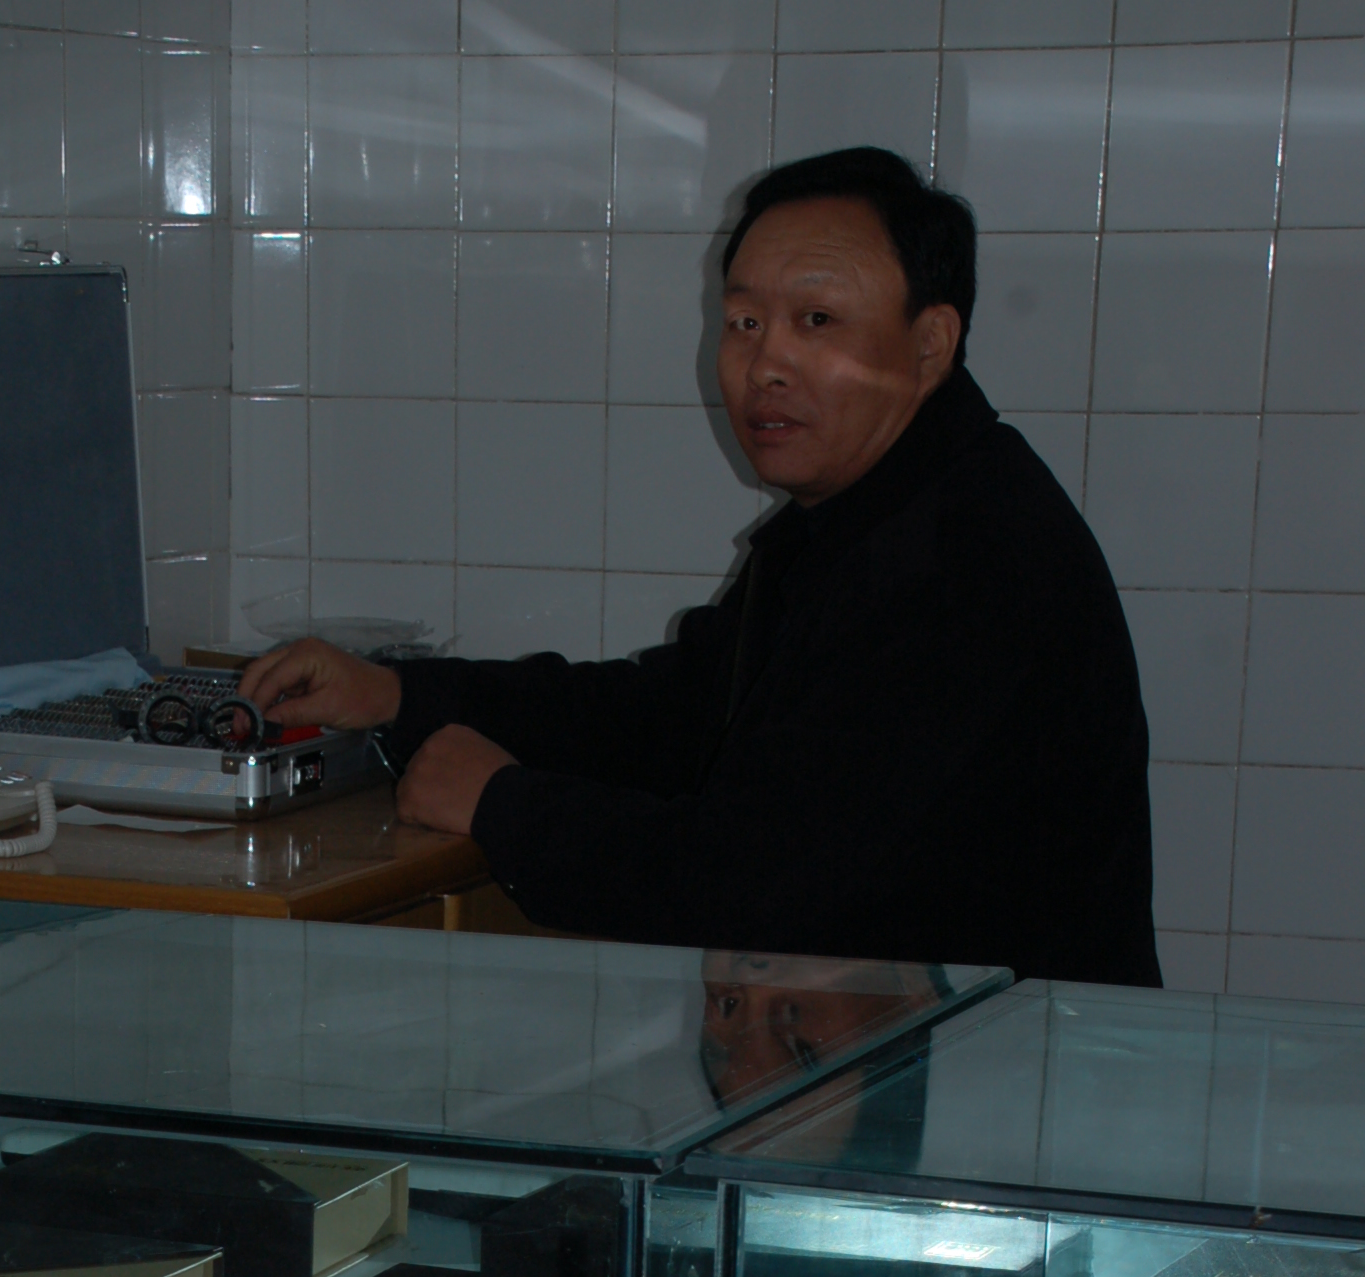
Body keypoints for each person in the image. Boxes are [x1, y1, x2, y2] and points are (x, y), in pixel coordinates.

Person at [242, 147, 1160, 986]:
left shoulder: (963, 560)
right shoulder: (874, 518)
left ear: (931, 344)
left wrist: (505, 807)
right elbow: (671, 717)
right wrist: (397, 695)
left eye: (817, 321)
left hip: (1008, 1084)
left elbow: (762, 882)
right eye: (745, 322)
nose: (766, 365)